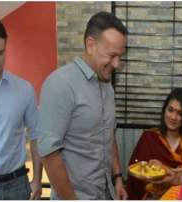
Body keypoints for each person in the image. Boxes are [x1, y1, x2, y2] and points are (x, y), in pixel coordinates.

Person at [36, 11, 128, 200]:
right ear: (90, 44)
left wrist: (117, 178)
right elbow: (48, 153)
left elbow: (109, 133)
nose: (117, 64)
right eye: (112, 55)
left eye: (120, 56)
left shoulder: (107, 84)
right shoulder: (60, 84)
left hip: (106, 193)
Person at [0, 16, 42, 200]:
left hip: (18, 185)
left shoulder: (25, 90)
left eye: (0, 53)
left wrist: (37, 178)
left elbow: (36, 136)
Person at [126, 88, 182, 199]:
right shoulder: (148, 138)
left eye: (179, 113)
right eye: (170, 110)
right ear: (164, 110)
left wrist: (167, 173)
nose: (173, 117)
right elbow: (135, 178)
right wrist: (152, 175)